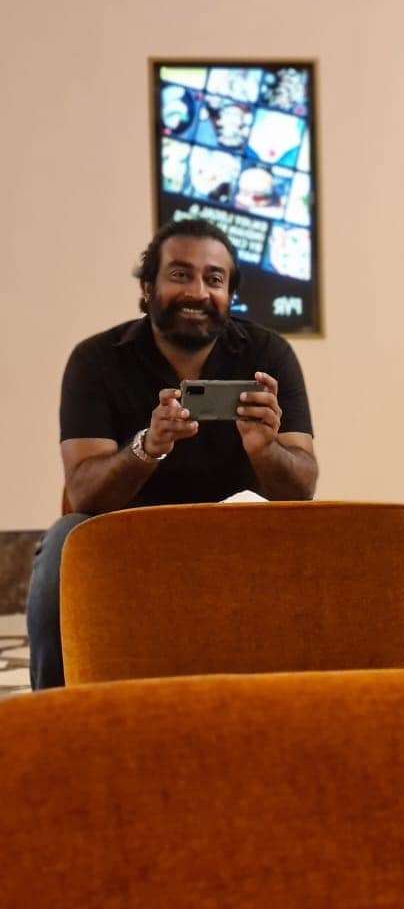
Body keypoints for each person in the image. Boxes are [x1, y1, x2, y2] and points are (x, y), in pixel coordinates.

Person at [27, 218, 318, 689]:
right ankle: (53, 715)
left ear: (230, 295)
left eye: (214, 279)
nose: (197, 292)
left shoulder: (270, 354)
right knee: (64, 540)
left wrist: (266, 450)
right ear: (148, 288)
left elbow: (302, 490)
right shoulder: (96, 360)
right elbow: (82, 493)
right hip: (130, 538)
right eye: (180, 274)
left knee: (322, 541)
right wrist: (146, 448)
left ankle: (306, 708)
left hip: (241, 538)